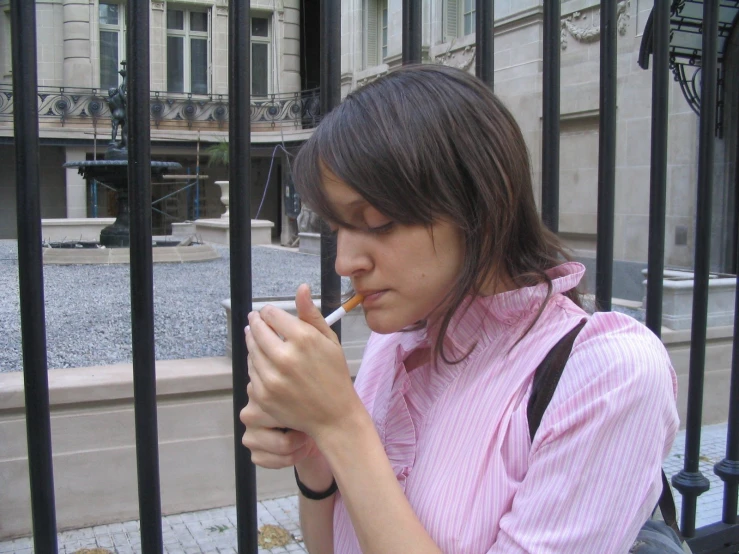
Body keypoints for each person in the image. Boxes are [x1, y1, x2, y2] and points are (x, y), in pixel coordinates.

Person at [239, 65, 679, 553]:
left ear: (481, 206)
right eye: (337, 227)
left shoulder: (608, 377)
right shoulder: (396, 342)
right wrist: (316, 457)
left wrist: (343, 425)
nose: (345, 262)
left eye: (379, 221)